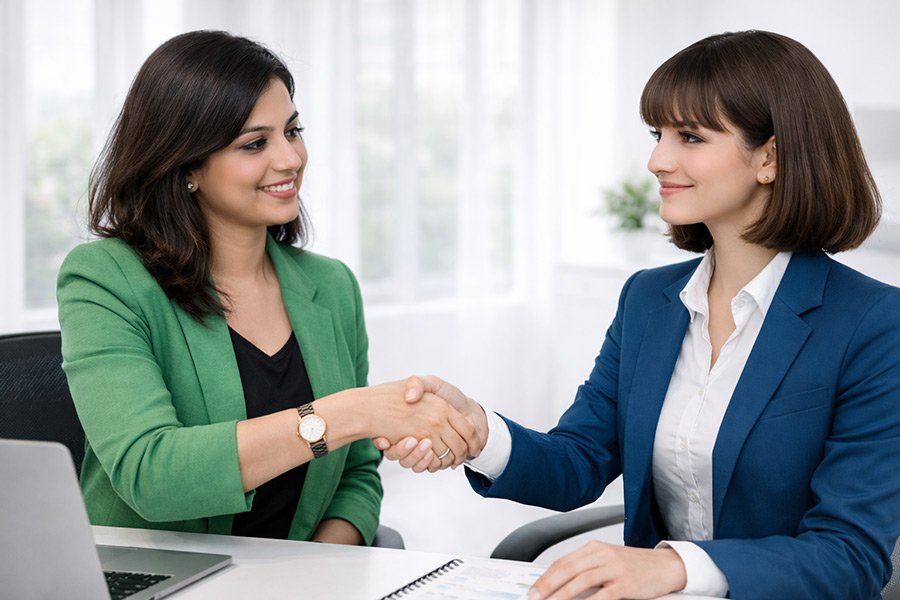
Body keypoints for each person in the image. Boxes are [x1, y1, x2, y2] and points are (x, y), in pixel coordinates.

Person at [377, 30, 900, 599]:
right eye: (658, 134)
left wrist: (674, 567)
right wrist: (482, 433)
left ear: (769, 157)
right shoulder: (649, 300)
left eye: (690, 137)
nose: (657, 160)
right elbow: (581, 459)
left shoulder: (873, 324)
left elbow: (849, 555)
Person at [56, 30, 477, 546]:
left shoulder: (331, 286)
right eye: (255, 143)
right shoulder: (105, 278)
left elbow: (356, 476)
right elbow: (151, 474)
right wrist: (348, 413)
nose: (291, 159)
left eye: (293, 131)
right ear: (187, 166)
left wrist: (320, 573)